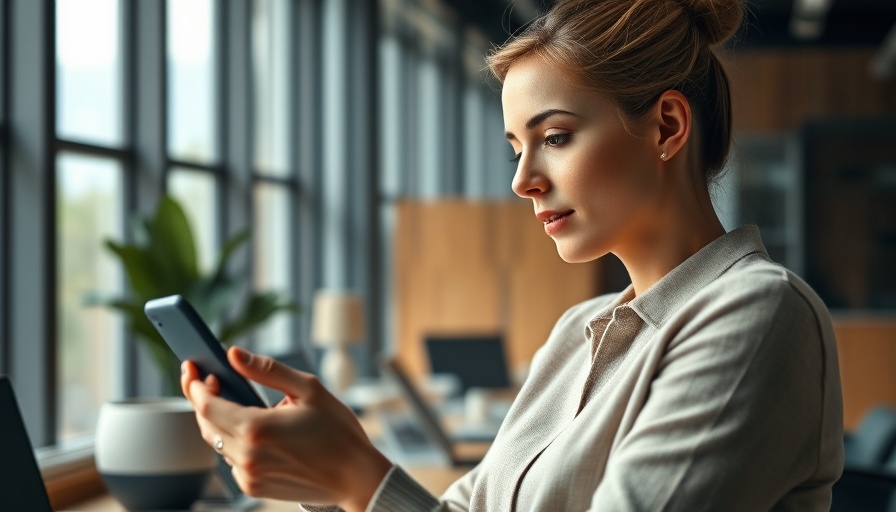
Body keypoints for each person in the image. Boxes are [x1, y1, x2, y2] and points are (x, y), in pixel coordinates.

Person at [181, 0, 845, 510]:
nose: (521, 180)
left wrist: (361, 479)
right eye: (515, 148)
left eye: (554, 137)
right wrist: (331, 479)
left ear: (667, 127)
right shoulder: (572, 338)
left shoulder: (757, 314)